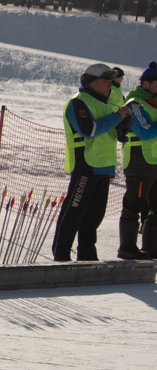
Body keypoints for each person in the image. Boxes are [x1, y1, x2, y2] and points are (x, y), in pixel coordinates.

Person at [52, 63, 130, 261]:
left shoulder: (106, 104)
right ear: (92, 82)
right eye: (105, 81)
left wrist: (123, 125)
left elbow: (117, 135)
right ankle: (61, 254)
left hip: (104, 166)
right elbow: (88, 130)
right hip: (85, 165)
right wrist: (117, 117)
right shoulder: (78, 102)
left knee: (95, 215)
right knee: (74, 211)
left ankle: (87, 254)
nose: (109, 85)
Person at [117, 62, 157, 260]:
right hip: (139, 162)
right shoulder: (135, 103)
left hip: (155, 162)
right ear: (146, 84)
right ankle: (127, 248)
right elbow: (146, 131)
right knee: (135, 206)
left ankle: (151, 249)